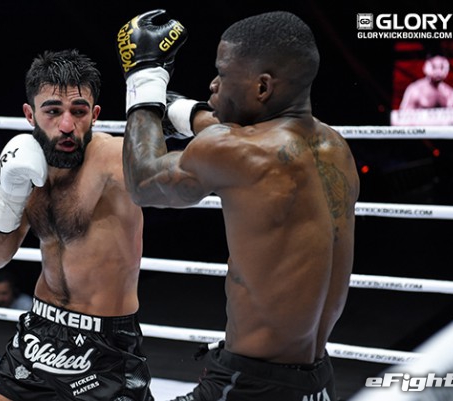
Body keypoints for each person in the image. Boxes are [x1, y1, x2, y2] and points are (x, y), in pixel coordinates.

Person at [116, 10, 359, 401]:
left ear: (262, 87)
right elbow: (245, 138)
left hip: (249, 385)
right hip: (317, 381)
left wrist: (144, 82)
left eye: (223, 73)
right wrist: (184, 112)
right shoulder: (335, 148)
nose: (214, 83)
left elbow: (143, 183)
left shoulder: (238, 151)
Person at [0, 49, 152, 401]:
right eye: (53, 111)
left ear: (95, 114)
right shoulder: (28, 163)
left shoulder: (111, 157)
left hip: (104, 346)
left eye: (79, 111)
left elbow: (165, 184)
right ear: (30, 114)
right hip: (39, 332)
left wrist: (160, 107)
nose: (67, 125)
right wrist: (8, 197)